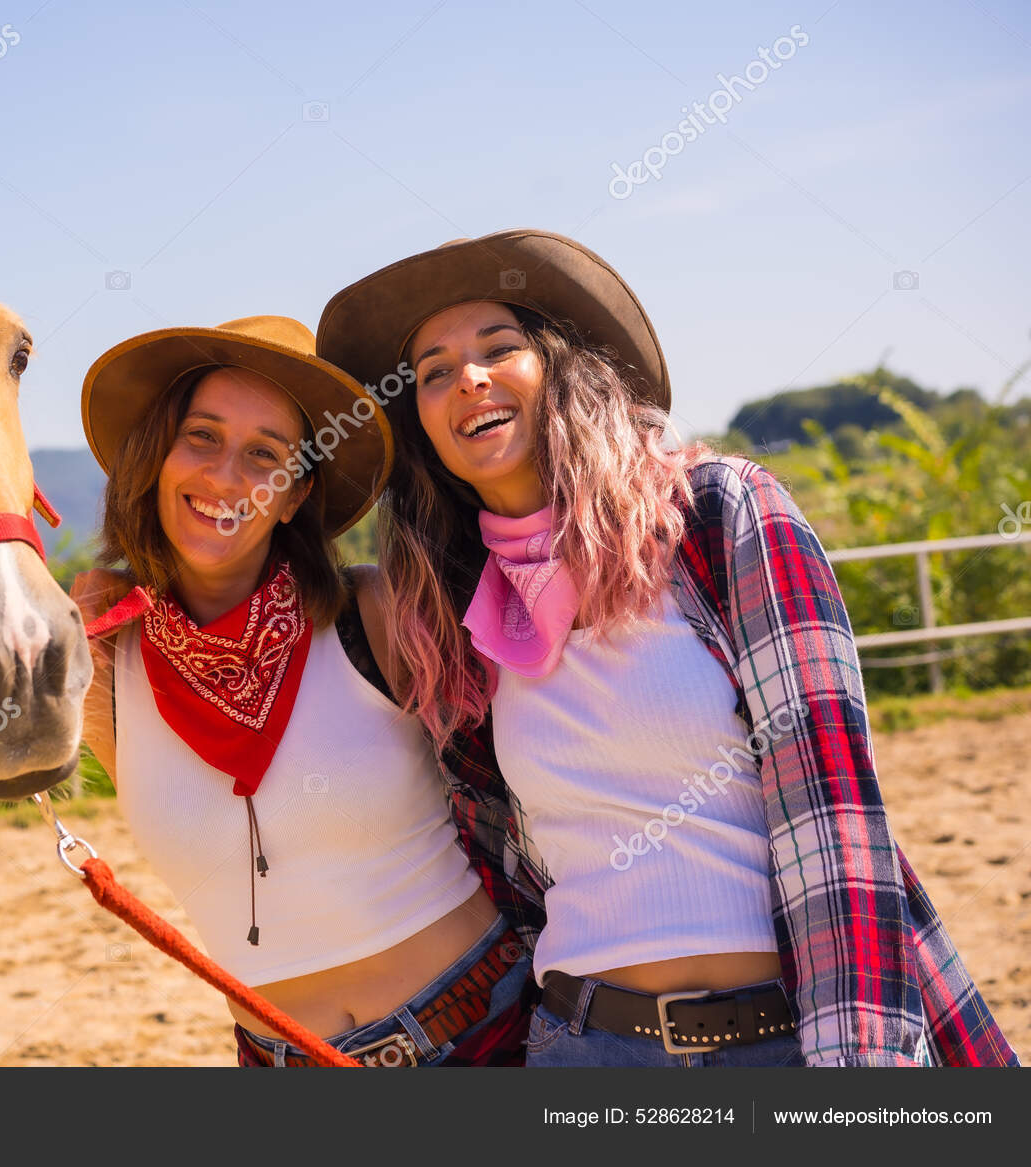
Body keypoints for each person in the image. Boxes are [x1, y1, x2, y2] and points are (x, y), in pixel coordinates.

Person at [0, 313, 536, 1067]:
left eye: (266, 455)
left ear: (296, 493)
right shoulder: (105, 651)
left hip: (487, 1033)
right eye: (202, 437)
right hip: (275, 1058)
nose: (227, 475)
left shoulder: (380, 612)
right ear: (157, 457)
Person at [313, 229, 1020, 1067]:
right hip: (582, 1047)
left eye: (499, 347)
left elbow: (833, 803)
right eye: (432, 371)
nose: (466, 377)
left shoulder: (717, 517)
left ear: (561, 370)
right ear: (422, 420)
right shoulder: (456, 608)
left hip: (782, 1042)